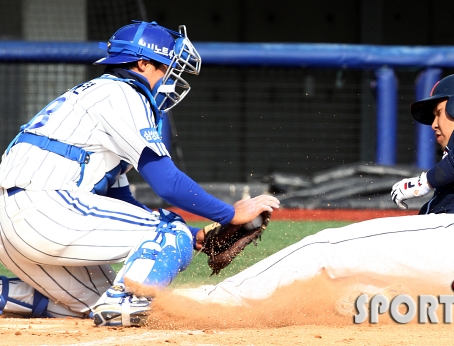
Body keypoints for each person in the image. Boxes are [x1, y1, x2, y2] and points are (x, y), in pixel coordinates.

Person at [0, 21, 279, 327]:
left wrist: (195, 237)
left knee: (93, 302)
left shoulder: (98, 96)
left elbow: (122, 201)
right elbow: (167, 183)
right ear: (143, 63)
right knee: (168, 230)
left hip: (15, 225)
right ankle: (128, 302)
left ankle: (8, 294)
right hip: (45, 210)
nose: (172, 77)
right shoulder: (122, 93)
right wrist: (229, 214)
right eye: (168, 67)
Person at [177, 74, 454, 315]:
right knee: (353, 293)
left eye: (438, 113)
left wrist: (424, 181)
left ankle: (207, 300)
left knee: (323, 249)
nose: (434, 124)